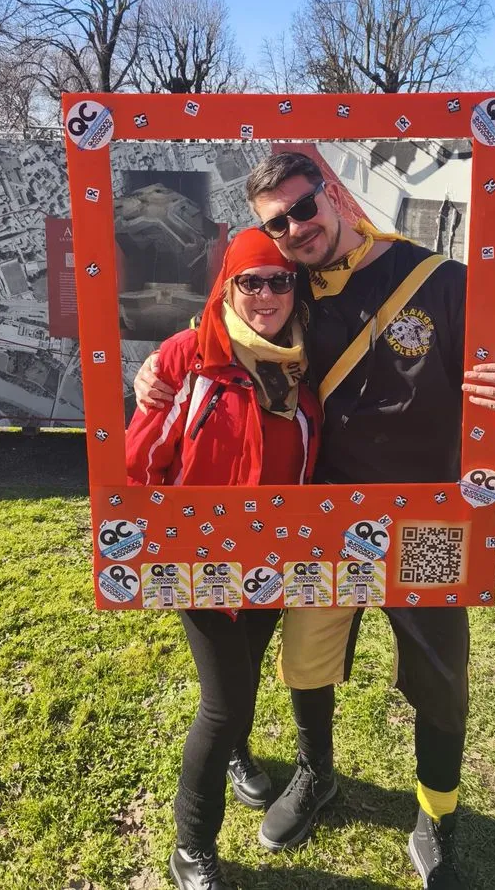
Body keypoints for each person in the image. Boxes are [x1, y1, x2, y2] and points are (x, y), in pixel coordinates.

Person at [136, 152, 495, 888]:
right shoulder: (290, 291)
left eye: (304, 207)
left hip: (426, 522)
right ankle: (316, 772)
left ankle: (437, 815)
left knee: (440, 676)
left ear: (333, 193)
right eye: (278, 223)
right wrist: (158, 370)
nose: (295, 229)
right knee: (308, 662)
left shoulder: (442, 281)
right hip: (320, 520)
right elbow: (225, 330)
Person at [125, 227, 322, 890]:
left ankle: (238, 753)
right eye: (250, 282)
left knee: (248, 670)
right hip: (198, 559)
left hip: (275, 558)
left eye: (279, 281)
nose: (266, 295)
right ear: (227, 288)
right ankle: (192, 845)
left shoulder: (306, 361)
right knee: (224, 700)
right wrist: (150, 547)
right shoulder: (189, 356)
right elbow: (140, 462)